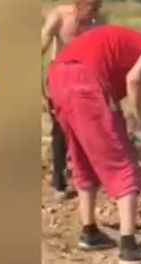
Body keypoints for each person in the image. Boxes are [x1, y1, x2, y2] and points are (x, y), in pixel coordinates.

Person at [46, 25, 141, 264]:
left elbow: (111, 89)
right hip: (85, 82)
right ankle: (129, 247)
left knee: (82, 158)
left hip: (57, 79)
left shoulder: (112, 42)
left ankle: (89, 232)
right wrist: (140, 125)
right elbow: (134, 79)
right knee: (121, 162)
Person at [41, 0, 104, 200]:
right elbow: (40, 48)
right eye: (91, 8)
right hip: (59, 75)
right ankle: (59, 181)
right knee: (60, 128)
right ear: (78, 5)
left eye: (97, 7)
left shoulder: (98, 23)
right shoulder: (59, 17)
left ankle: (86, 175)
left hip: (85, 79)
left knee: (89, 128)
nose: (93, 13)